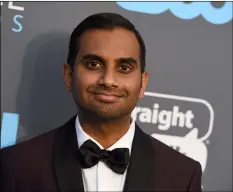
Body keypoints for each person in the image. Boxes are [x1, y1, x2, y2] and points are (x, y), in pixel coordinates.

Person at [0, 12, 202, 192]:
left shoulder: (182, 175)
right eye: (93, 64)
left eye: (124, 68)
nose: (108, 80)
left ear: (142, 83)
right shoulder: (17, 165)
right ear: (69, 76)